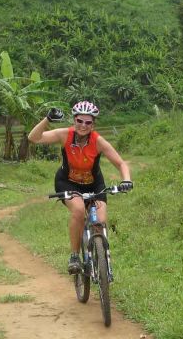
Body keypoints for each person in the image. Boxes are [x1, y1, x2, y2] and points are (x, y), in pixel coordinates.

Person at [28, 101, 133, 274]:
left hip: (94, 184)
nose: (83, 125)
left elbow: (121, 163)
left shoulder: (98, 141)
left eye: (88, 122)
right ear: (74, 120)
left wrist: (126, 180)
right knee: (78, 211)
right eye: (79, 121)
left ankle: (101, 255)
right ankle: (75, 256)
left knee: (100, 220)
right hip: (68, 182)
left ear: (93, 124)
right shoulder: (64, 135)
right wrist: (47, 119)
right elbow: (34, 138)